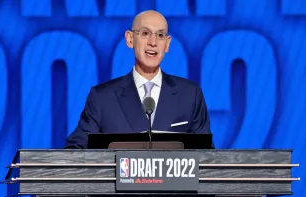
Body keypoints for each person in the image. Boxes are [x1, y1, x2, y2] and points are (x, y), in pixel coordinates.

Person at [65, 10, 212, 149]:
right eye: (145, 33)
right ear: (130, 39)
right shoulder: (102, 97)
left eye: (160, 35)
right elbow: (76, 150)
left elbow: (208, 156)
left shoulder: (190, 94)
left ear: (167, 44)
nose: (153, 42)